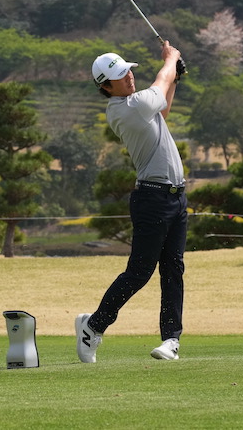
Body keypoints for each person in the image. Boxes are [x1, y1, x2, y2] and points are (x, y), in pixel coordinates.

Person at [76, 41, 188, 362]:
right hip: (152, 198)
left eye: (127, 70)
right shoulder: (126, 108)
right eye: (120, 76)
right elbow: (160, 82)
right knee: (140, 272)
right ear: (106, 87)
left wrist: (175, 78)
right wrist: (171, 60)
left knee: (173, 269)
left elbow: (163, 108)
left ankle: (171, 340)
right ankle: (93, 327)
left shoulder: (139, 105)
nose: (128, 76)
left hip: (176, 197)